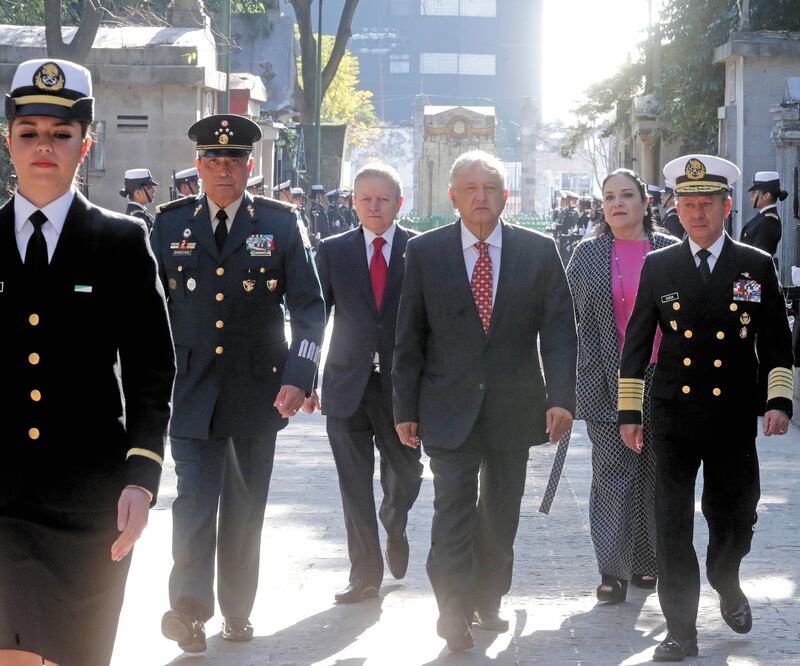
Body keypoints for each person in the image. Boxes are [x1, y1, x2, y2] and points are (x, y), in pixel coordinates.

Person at [0, 58, 175, 666]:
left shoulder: (121, 243)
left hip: (88, 497)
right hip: (3, 498)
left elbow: (153, 371)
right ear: (8, 141)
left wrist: (141, 478)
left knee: (75, 655)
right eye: (29, 133)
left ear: (86, 144)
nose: (43, 146)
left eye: (61, 134)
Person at [151, 114, 325, 653]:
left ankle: (236, 610)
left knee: (244, 512)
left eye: (234, 161)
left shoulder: (279, 223)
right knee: (193, 503)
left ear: (252, 166)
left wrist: (300, 377)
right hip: (191, 389)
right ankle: (189, 611)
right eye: (212, 160)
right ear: (197, 167)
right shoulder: (169, 224)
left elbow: (310, 309)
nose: (223, 170)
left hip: (257, 392)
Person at [393, 150, 577, 652]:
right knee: (451, 504)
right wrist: (403, 408)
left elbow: (560, 330)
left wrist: (562, 397)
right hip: (445, 406)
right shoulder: (426, 252)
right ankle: (451, 608)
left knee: (500, 509)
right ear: (451, 196)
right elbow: (409, 334)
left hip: (513, 408)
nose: (481, 196)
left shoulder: (538, 251)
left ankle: (488, 595)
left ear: (505, 196)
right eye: (470, 188)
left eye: (490, 187)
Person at [619, 154, 793, 662]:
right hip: (673, 414)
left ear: (727, 206)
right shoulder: (660, 265)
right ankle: (681, 631)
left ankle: (726, 578)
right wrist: (631, 412)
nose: (697, 214)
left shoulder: (755, 266)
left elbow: (777, 344)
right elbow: (636, 345)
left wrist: (778, 401)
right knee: (672, 525)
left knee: (735, 517)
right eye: (688, 205)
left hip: (732, 417)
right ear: (677, 209)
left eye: (707, 205)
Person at [302, 163, 423, 604]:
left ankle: (395, 519)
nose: (375, 207)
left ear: (398, 203)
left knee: (407, 474)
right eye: (366, 199)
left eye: (383, 199)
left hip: (401, 389)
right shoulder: (332, 251)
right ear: (354, 202)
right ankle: (364, 575)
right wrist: (305, 377)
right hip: (345, 384)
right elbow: (314, 320)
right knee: (353, 483)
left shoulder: (420, 250)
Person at [567, 169, 676, 606]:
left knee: (656, 475)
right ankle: (612, 571)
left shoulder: (670, 251)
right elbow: (568, 322)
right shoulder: (586, 255)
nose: (617, 204)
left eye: (627, 195)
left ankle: (647, 563)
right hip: (605, 381)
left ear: (645, 203)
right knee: (613, 475)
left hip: (666, 381)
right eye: (609, 196)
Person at [740, 171, 787, 259]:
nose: (751, 196)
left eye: (754, 192)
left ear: (766, 196)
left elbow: (759, 258)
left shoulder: (769, 221)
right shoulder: (763, 217)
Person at [119, 167, 158, 232]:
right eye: (149, 187)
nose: (154, 191)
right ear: (137, 192)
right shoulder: (137, 217)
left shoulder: (141, 213)